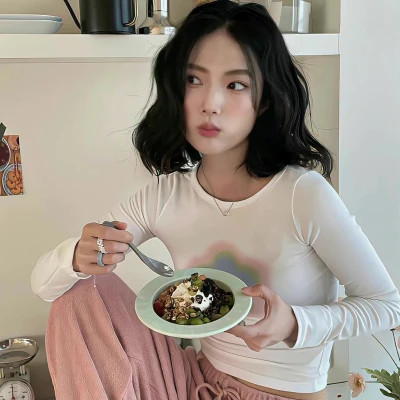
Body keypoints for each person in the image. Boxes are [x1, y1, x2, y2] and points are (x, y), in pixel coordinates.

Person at [31, 1, 400, 399]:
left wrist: (295, 323)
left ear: (264, 100)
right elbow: (46, 285)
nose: (210, 104)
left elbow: (386, 305)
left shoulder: (302, 194)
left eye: (235, 85)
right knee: (81, 290)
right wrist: (78, 255)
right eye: (194, 80)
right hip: (193, 382)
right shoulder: (165, 195)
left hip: (284, 393)